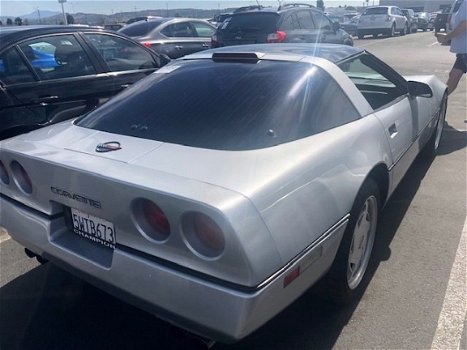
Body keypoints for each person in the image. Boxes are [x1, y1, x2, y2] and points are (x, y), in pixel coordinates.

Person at [435, 0, 467, 95]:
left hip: (465, 51)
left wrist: (446, 37)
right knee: (453, 76)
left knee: (453, 77)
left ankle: (438, 102)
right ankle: (440, 102)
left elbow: (464, 25)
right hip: (464, 51)